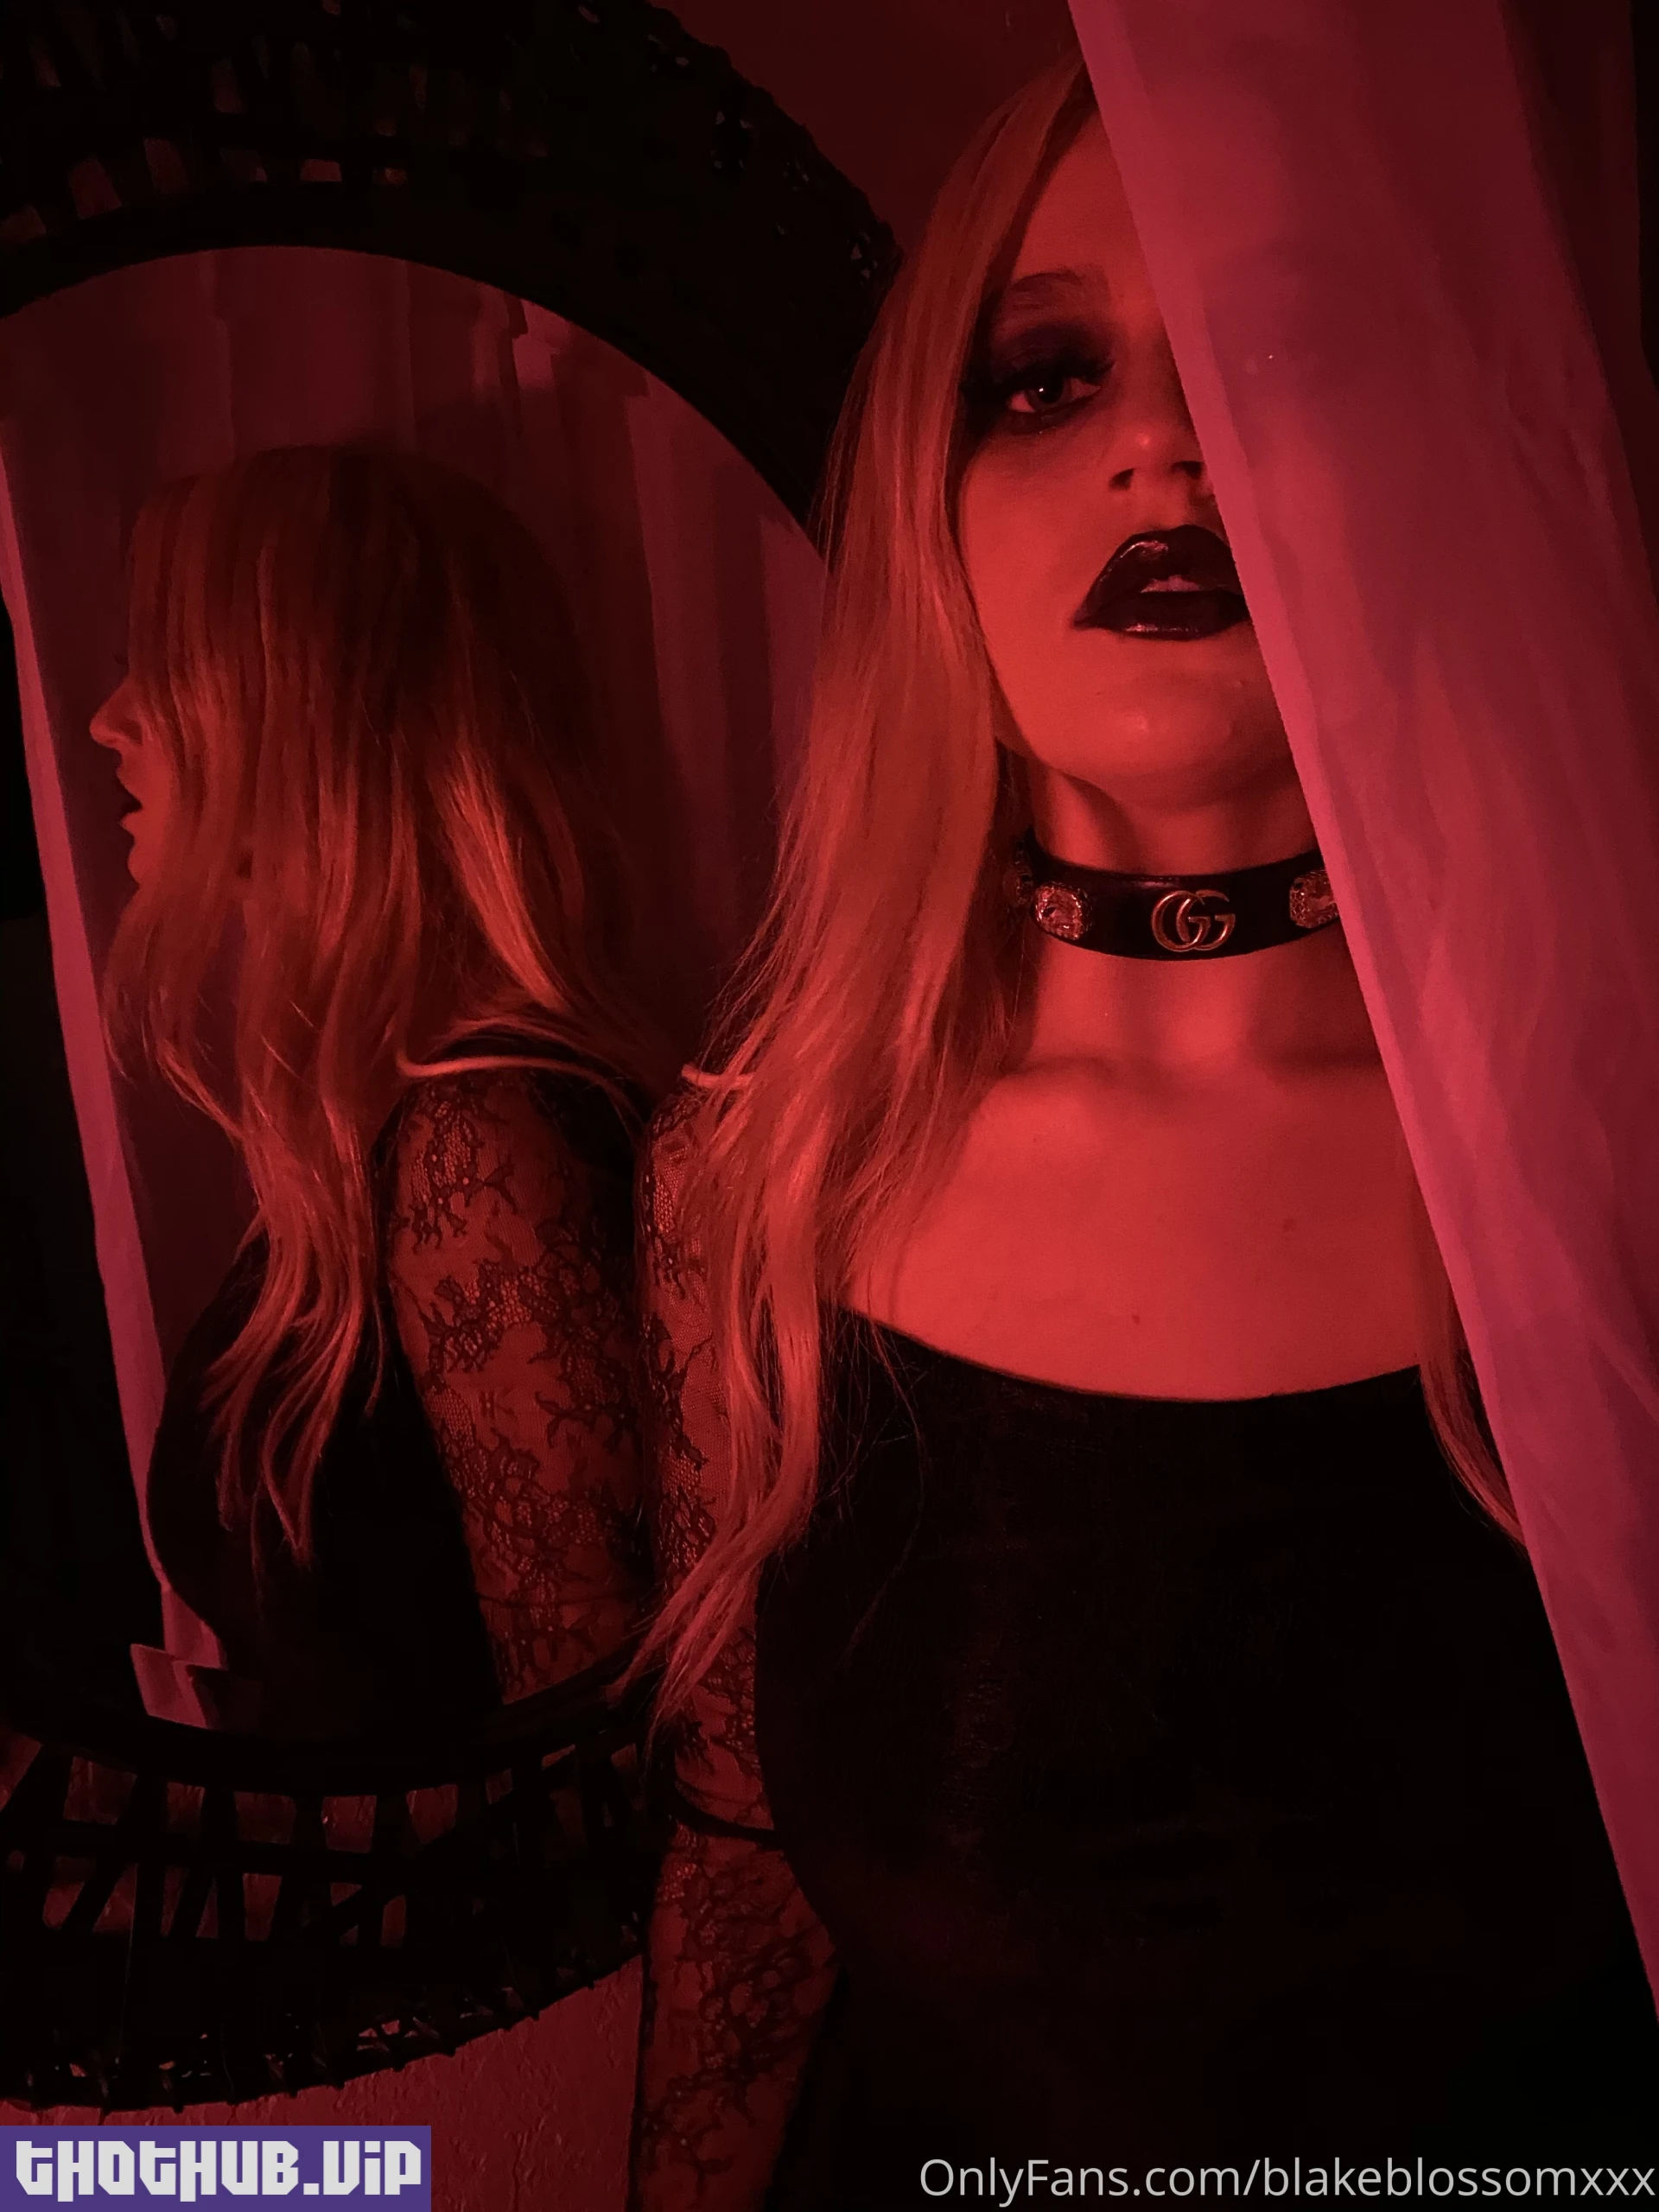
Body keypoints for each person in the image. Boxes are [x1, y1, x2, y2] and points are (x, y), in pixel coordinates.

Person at [628, 56, 1659, 2209]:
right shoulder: (766, 1184)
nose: (1166, 445)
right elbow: (739, 1872)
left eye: (1275, 358)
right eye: (1044, 376)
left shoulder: (1609, 1162)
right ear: (928, 507)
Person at [92, 443, 664, 1735]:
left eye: (162, 666)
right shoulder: (378, 1120)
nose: (108, 720)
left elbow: (580, 1751)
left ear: (310, 713)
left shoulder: (484, 1137)